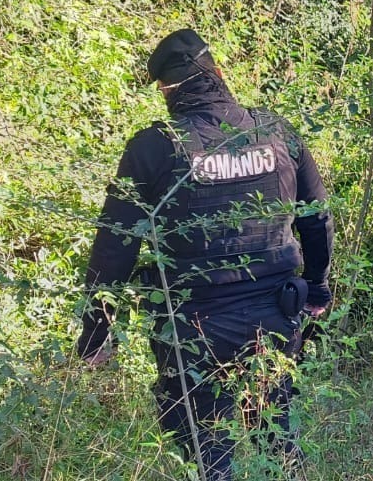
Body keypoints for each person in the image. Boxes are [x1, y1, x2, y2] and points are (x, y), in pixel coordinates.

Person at [76, 29, 334, 480]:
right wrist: (317, 286)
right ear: (219, 74)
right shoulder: (276, 132)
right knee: (277, 444)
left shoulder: (153, 147)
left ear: (167, 90)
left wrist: (97, 332)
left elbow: (115, 245)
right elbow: (316, 219)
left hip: (192, 330)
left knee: (204, 456)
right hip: (275, 316)